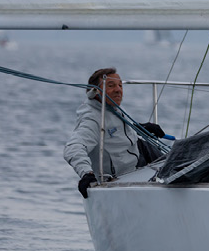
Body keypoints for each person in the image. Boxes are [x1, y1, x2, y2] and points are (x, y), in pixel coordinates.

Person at [63, 67, 166, 198]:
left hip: (138, 153)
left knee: (181, 159)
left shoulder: (112, 108)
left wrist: (139, 127)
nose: (118, 90)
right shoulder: (92, 118)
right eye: (111, 86)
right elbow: (72, 148)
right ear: (94, 92)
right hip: (123, 174)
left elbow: (117, 132)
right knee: (176, 166)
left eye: (120, 85)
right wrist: (86, 174)